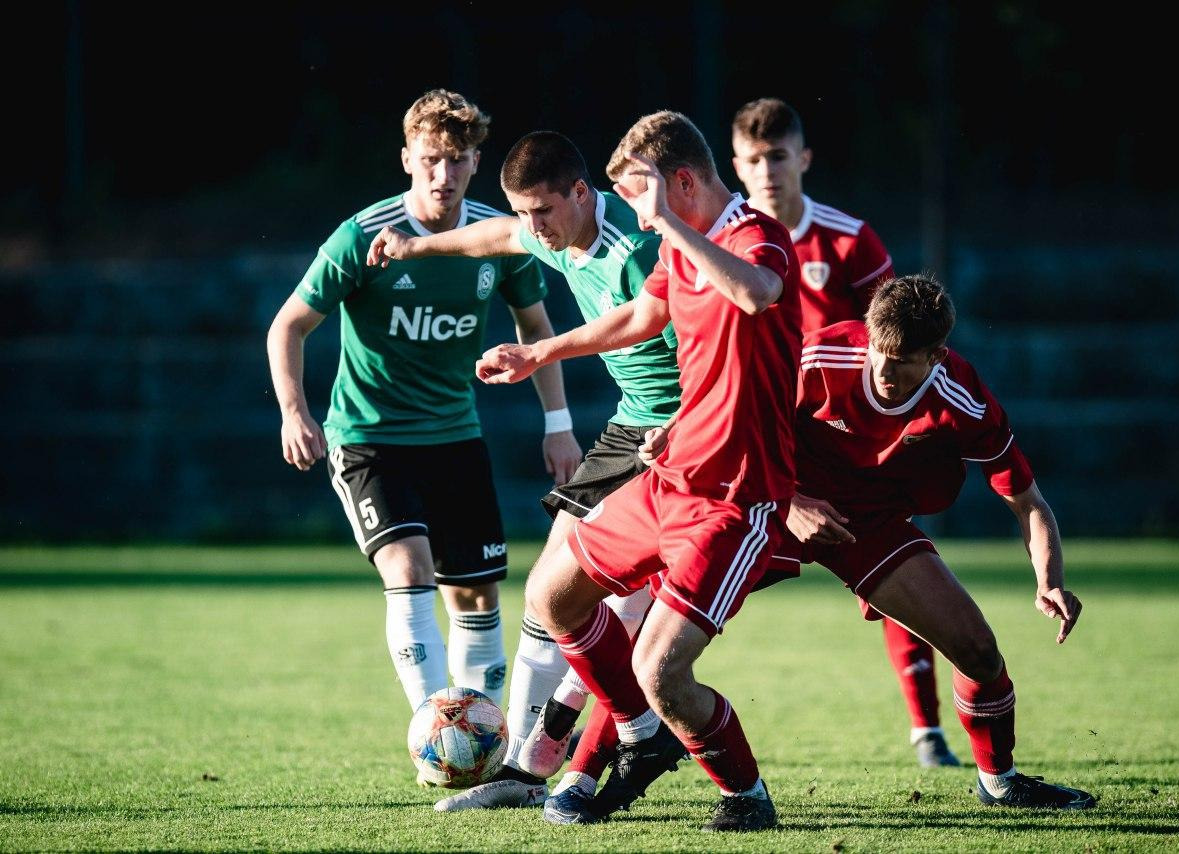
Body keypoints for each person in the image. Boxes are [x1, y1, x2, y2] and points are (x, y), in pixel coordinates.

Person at [475, 110, 803, 832]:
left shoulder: (755, 235)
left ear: (681, 182)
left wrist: (672, 226)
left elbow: (756, 293)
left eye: (638, 194)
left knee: (660, 670)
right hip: (669, 475)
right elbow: (637, 319)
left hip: (735, 497)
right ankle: (638, 735)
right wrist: (539, 354)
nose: (633, 212)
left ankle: (745, 795)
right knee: (552, 594)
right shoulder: (678, 248)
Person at [266, 91, 582, 763]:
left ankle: (480, 752)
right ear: (407, 159)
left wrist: (558, 424)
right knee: (409, 567)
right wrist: (295, 411)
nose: (444, 174)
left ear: (476, 163)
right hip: (369, 437)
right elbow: (288, 325)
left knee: (476, 593)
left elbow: (536, 328)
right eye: (431, 159)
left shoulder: (499, 237)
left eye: (458, 160)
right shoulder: (362, 237)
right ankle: (437, 739)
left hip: (455, 437)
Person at [366, 130, 674, 810]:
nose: (533, 227)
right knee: (547, 593)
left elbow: (676, 336)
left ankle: (581, 753)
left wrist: (541, 354)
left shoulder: (637, 249)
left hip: (679, 431)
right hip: (630, 426)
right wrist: (414, 247)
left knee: (623, 609)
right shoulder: (547, 230)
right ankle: (524, 767)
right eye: (524, 212)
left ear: (581, 193)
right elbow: (495, 237)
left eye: (543, 211)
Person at [786, 273, 1096, 809]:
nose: (884, 371)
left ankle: (999, 782)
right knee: (670, 618)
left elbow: (1028, 502)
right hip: (776, 501)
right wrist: (789, 503)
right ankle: (620, 750)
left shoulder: (963, 398)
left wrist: (1050, 581)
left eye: (902, 361)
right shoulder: (818, 358)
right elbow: (738, 430)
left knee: (978, 651)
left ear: (936, 356)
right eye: (878, 353)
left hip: (868, 526)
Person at [731, 96, 958, 767]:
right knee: (693, 576)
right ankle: (630, 723)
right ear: (736, 166)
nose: (767, 171)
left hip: (849, 449)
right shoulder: (723, 243)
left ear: (803, 158)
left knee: (902, 575)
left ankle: (927, 731)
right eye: (753, 159)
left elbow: (901, 336)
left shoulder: (849, 241)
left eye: (778, 156)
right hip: (761, 444)